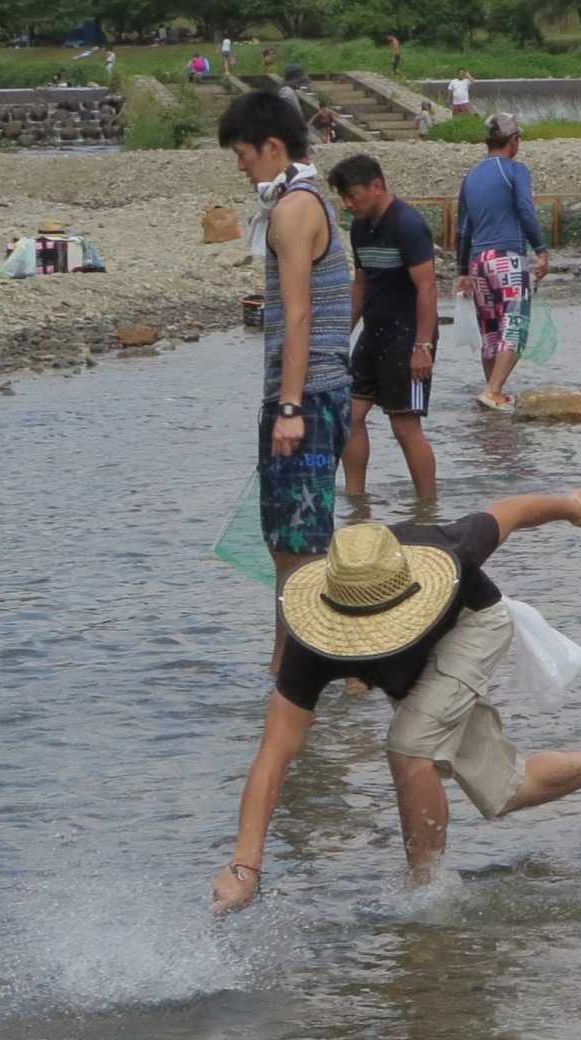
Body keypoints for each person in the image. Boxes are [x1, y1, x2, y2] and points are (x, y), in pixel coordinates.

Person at [209, 489, 581, 913]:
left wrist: (575, 507)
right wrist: (244, 866)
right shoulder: (310, 644)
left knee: (409, 747)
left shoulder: (444, 548)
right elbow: (273, 757)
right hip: (416, 666)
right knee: (505, 791)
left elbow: (510, 512)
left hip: (474, 627)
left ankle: (424, 895)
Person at [218, 91, 353, 672]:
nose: (241, 166)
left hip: (310, 396)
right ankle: (289, 667)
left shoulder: (293, 210)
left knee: (300, 550)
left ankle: (307, 673)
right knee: (290, 545)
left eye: (244, 154)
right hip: (320, 389)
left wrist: (290, 408)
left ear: (274, 147)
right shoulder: (308, 199)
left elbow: (298, 314)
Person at [328, 154, 439, 501]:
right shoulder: (360, 228)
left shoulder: (408, 224)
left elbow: (428, 287)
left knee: (404, 424)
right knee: (350, 414)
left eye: (353, 195)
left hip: (408, 337)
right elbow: (360, 286)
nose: (348, 204)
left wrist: (423, 347)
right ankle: (356, 500)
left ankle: (427, 508)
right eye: (343, 197)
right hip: (374, 333)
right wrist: (338, 337)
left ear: (377, 186)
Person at [455, 113, 549, 413]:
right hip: (507, 258)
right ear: (514, 141)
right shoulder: (515, 170)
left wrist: (461, 270)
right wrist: (541, 249)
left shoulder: (470, 177)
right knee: (515, 327)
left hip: (477, 262)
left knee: (491, 331)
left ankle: (492, 392)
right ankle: (493, 389)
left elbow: (464, 228)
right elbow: (524, 208)